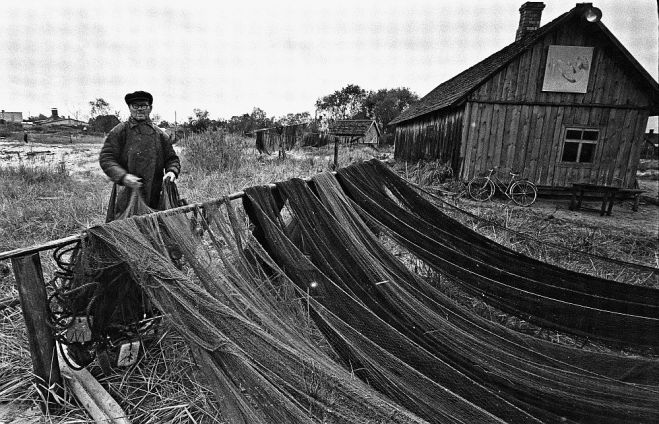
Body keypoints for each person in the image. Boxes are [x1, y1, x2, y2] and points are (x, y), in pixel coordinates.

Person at [99, 91, 180, 222]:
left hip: (154, 188)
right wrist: (123, 176)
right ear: (129, 108)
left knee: (154, 223)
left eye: (144, 106)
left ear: (150, 108)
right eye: (135, 106)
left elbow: (172, 159)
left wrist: (172, 171)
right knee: (126, 225)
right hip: (127, 190)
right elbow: (107, 158)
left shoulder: (160, 134)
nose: (140, 109)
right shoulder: (120, 131)